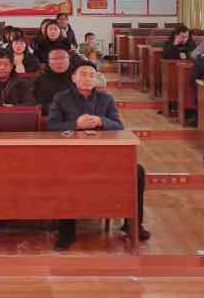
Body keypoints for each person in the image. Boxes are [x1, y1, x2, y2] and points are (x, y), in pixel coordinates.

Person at [47, 60, 150, 250]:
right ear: (73, 78)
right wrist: (75, 124)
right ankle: (66, 231)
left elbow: (118, 126)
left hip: (103, 154)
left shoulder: (106, 99)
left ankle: (133, 224)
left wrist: (100, 121)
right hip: (72, 155)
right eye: (83, 74)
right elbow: (52, 126)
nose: (87, 78)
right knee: (63, 173)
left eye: (92, 75)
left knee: (137, 171)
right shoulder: (61, 98)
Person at [32, 48, 75, 115]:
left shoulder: (78, 78)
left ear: (69, 60)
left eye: (63, 58)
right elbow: (40, 104)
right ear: (48, 62)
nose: (59, 62)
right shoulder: (40, 80)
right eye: (55, 59)